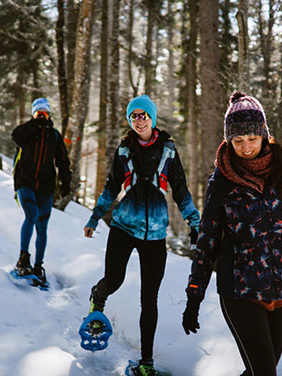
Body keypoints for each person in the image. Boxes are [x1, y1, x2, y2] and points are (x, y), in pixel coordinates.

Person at [182, 92, 282, 376]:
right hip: (240, 292)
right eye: (238, 141)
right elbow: (207, 242)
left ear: (264, 135)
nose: (246, 147)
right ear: (229, 141)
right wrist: (195, 294)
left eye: (252, 139)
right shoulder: (222, 183)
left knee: (258, 372)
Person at [84, 94, 200, 376]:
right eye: (134, 116)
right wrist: (95, 217)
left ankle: (146, 363)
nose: (139, 120)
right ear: (129, 120)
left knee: (149, 299)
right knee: (114, 279)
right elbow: (111, 187)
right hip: (123, 228)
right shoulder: (123, 150)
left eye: (143, 115)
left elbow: (181, 190)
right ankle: (97, 299)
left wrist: (194, 223)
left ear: (153, 118)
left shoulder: (169, 151)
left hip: (156, 234)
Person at [12, 97, 72, 286]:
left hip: (45, 187)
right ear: (33, 114)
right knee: (32, 215)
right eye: (39, 113)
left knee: (42, 226)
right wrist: (33, 124)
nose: (42, 116)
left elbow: (63, 161)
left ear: (49, 114)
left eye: (45, 113)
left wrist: (66, 182)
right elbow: (16, 136)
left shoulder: (54, 135)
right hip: (25, 182)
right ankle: (23, 258)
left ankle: (38, 266)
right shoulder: (27, 132)